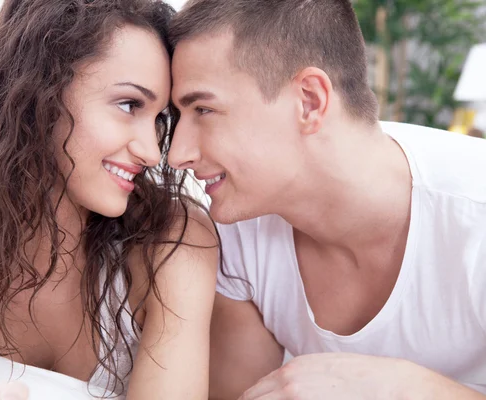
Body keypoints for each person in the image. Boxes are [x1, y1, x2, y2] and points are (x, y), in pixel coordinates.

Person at [0, 1, 218, 399]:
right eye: (129, 105)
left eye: (159, 119)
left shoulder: (171, 241)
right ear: (37, 91)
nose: (151, 151)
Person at [167, 0, 486, 399]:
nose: (177, 154)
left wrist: (406, 389)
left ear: (310, 101)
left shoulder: (476, 216)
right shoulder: (237, 229)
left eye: (204, 109)